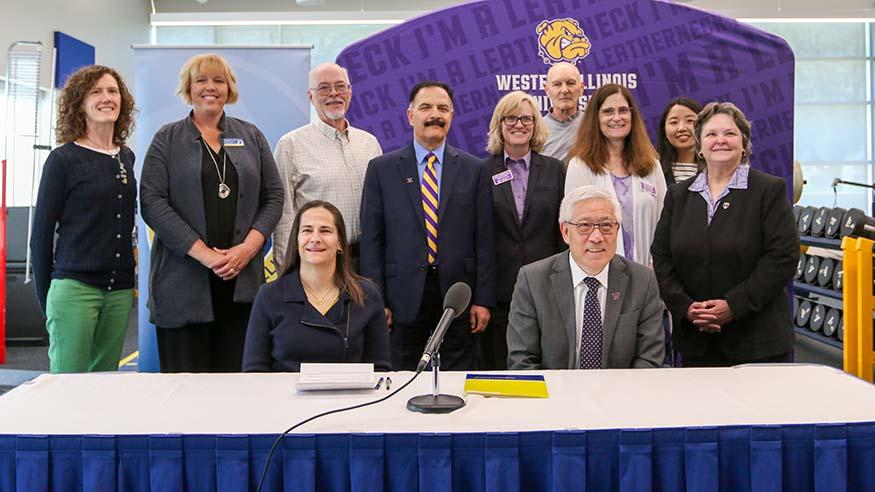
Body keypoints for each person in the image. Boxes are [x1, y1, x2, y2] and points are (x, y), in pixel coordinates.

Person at [140, 54, 284, 373]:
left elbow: (273, 197)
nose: (210, 87)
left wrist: (248, 249)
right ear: (188, 88)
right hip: (182, 285)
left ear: (229, 89)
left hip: (242, 285)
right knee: (183, 394)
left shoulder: (251, 135)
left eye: (219, 80)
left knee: (238, 391)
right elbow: (151, 201)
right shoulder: (167, 138)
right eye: (201, 80)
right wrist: (206, 255)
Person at [651, 102, 800, 366]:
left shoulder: (769, 190)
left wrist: (733, 306)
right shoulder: (678, 195)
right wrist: (686, 308)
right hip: (697, 340)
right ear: (699, 146)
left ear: (744, 144)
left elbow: (782, 258)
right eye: (711, 134)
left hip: (758, 342)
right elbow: (662, 258)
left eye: (730, 134)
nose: (720, 140)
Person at [360, 81, 495, 371]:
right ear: (410, 116)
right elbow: (373, 241)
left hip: (459, 297)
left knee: (456, 380)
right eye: (426, 108)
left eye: (442, 108)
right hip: (401, 299)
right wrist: (376, 300)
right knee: (403, 378)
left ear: (452, 116)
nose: (435, 114)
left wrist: (483, 299)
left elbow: (485, 239)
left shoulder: (475, 169)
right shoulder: (381, 169)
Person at [30, 65, 137, 373]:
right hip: (74, 289)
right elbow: (40, 238)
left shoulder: (125, 157)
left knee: (103, 386)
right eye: (96, 91)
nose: (107, 98)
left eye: (113, 91)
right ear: (80, 103)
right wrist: (48, 298)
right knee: (67, 388)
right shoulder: (62, 160)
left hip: (118, 292)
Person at [506, 186, 664, 370]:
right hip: (555, 396)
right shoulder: (532, 280)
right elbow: (522, 360)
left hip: (621, 395)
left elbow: (649, 360)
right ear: (565, 232)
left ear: (617, 230)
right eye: (584, 226)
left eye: (606, 226)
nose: (596, 237)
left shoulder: (642, 281)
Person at [243, 201, 391, 372]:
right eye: (306, 230)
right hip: (284, 398)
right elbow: (253, 371)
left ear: (340, 243)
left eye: (325, 231)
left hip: (351, 398)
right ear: (296, 241)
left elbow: (380, 370)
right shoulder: (269, 295)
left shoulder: (367, 294)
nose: (315, 239)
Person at [481, 91, 565, 370]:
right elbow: (477, 236)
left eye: (527, 118)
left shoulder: (555, 170)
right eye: (511, 118)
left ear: (536, 124)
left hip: (547, 287)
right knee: (500, 365)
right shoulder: (481, 171)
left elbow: (561, 231)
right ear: (499, 124)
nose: (519, 124)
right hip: (499, 291)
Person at [272, 62, 382, 273]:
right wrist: (287, 270)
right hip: (318, 261)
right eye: (323, 88)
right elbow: (284, 215)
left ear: (350, 92)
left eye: (340, 86)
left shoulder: (369, 143)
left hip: (368, 262)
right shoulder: (291, 145)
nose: (333, 93)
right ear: (311, 96)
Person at [565, 83, 666, 266]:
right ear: (595, 118)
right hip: (598, 274)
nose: (617, 117)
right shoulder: (579, 167)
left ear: (632, 115)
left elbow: (664, 223)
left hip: (648, 275)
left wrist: (655, 266)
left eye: (623, 110)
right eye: (608, 111)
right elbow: (578, 230)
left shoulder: (652, 166)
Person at [542, 62, 584, 163]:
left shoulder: (593, 124)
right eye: (557, 84)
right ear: (547, 90)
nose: (564, 90)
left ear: (581, 88)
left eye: (570, 83)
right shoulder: (536, 128)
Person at [657, 97, 704, 185]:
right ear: (664, 129)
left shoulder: (715, 169)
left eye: (690, 121)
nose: (681, 128)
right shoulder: (653, 168)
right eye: (674, 122)